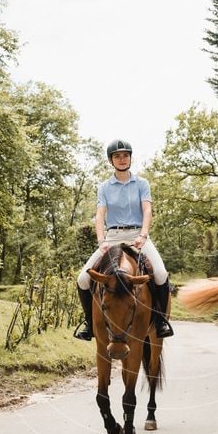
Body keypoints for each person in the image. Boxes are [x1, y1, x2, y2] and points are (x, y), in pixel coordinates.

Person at [74, 139, 173, 340]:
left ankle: (160, 321)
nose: (122, 159)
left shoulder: (142, 183)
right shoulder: (104, 187)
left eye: (125, 155)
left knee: (161, 274)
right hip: (112, 237)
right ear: (111, 160)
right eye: (117, 156)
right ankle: (89, 324)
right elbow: (100, 215)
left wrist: (143, 235)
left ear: (130, 158)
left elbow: (147, 210)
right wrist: (102, 240)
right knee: (83, 279)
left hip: (138, 236)